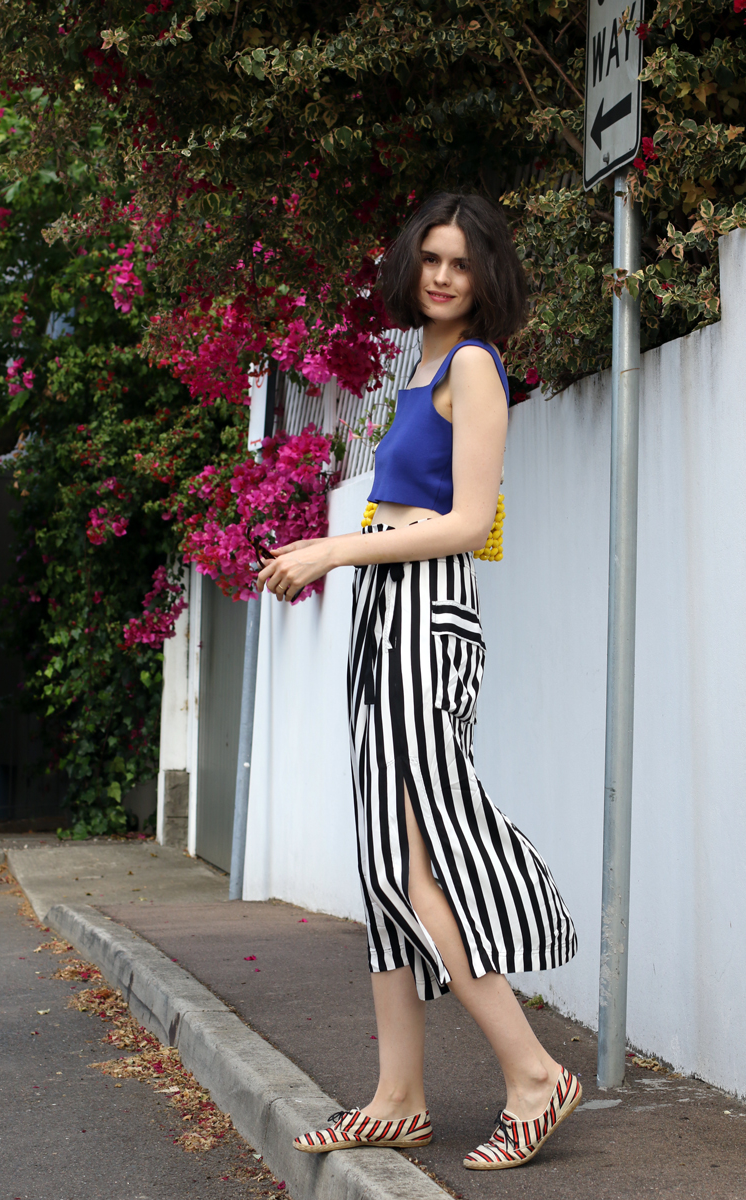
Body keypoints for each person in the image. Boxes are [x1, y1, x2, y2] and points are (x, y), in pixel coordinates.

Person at [257, 192, 579, 1170]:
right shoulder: (420, 365)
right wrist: (351, 558)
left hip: (422, 611)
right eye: (429, 259)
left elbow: (467, 521)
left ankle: (533, 1075)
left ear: (484, 277)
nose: (441, 276)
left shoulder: (475, 368)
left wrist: (331, 549)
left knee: (418, 856)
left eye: (459, 263)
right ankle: (397, 1094)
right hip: (385, 617)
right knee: (380, 858)